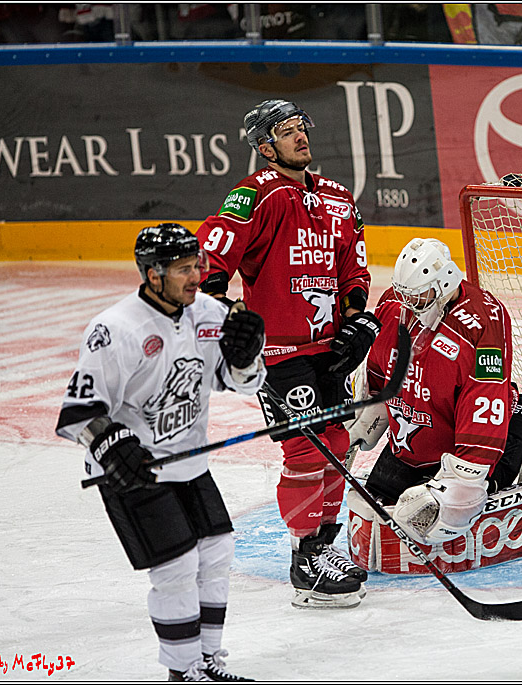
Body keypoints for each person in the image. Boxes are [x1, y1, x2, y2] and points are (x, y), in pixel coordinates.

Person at [56, 223, 267, 681]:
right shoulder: (114, 329)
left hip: (189, 462)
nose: (197, 276)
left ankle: (208, 662)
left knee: (216, 552)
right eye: (183, 269)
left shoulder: (209, 313)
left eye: (199, 266)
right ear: (153, 275)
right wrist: (113, 445)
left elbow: (242, 383)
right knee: (176, 567)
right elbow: (78, 414)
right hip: (136, 472)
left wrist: (247, 356)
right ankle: (182, 669)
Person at [195, 99, 378, 609]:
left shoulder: (341, 199)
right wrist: (224, 314)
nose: (299, 137)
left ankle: (325, 545)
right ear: (264, 146)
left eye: (301, 128)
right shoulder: (254, 196)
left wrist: (357, 320)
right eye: (285, 131)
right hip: (279, 352)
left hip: (331, 350)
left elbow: (353, 271)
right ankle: (305, 558)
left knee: (338, 442)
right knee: (305, 449)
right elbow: (211, 263)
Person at [347, 237, 522, 544]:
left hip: (469, 448)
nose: (409, 304)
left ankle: (494, 477)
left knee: (427, 520)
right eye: (404, 294)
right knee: (369, 512)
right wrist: (363, 421)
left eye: (419, 297)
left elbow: (486, 401)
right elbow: (381, 372)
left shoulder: (482, 322)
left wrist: (464, 484)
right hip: (413, 443)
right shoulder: (396, 303)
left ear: (445, 283)